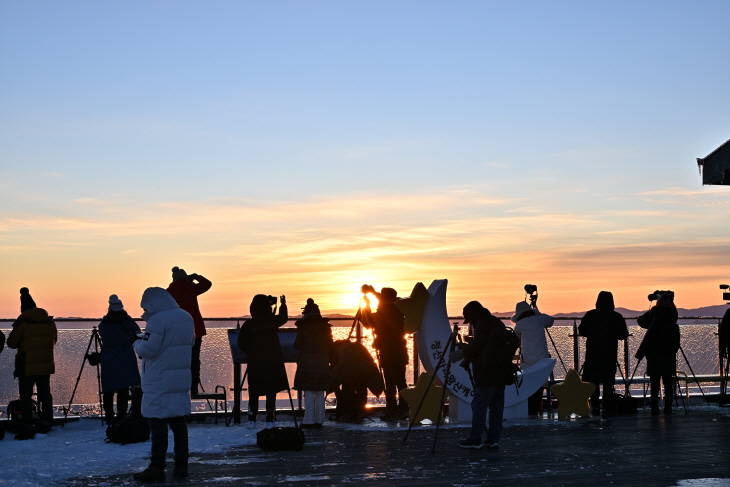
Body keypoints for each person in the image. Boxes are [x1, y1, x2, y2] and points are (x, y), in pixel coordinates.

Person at [132, 287, 195, 481]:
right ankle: (181, 465)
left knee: (157, 423)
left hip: (159, 379)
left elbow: (148, 350)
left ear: (152, 303)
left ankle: (157, 467)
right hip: (180, 378)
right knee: (178, 422)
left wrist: (136, 343)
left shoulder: (157, 320)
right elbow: (189, 343)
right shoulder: (186, 316)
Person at [450, 301, 515, 449]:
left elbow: (479, 345)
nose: (470, 324)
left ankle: (475, 439)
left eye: (469, 320)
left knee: (479, 405)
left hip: (487, 372)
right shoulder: (495, 322)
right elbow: (486, 344)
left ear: (473, 315)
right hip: (502, 370)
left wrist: (462, 353)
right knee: (496, 407)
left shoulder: (482, 323)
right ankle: (493, 440)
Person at [7, 288, 57, 437]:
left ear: (23, 310)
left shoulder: (22, 324)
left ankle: (27, 422)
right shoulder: (49, 323)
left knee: (26, 395)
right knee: (45, 394)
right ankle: (47, 420)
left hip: (26, 365)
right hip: (45, 364)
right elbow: (54, 341)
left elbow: (12, 343)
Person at [237, 294, 289, 429]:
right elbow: (283, 318)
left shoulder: (249, 324)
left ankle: (251, 419)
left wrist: (252, 352)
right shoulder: (271, 321)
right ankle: (270, 419)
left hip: (255, 362)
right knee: (271, 391)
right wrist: (283, 305)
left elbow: (241, 343)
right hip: (272, 361)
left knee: (254, 390)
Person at [361, 285, 409, 421]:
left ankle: (392, 410)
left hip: (388, 352)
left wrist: (366, 306)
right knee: (401, 381)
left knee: (390, 382)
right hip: (400, 351)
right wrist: (372, 294)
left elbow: (367, 322)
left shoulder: (383, 314)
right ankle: (404, 409)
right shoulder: (400, 310)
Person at [578, 291, 629, 417]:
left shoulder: (590, 315)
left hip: (593, 354)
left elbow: (582, 330)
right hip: (609, 354)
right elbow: (623, 334)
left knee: (592, 382)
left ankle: (594, 406)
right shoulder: (616, 316)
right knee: (608, 382)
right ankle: (608, 407)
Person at [166, 266, 212, 395]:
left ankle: (180, 384)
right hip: (195, 329)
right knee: (194, 359)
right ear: (185, 278)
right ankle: (194, 386)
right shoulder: (191, 288)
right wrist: (195, 277)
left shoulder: (169, 292)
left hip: (177, 331)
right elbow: (207, 284)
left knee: (179, 358)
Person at [98, 294, 142, 423]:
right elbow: (137, 332)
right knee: (123, 388)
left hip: (108, 358)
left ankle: (109, 417)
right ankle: (121, 415)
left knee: (108, 389)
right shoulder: (126, 321)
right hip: (124, 357)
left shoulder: (104, 324)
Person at [636, 292, 681, 415]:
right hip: (669, 355)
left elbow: (640, 321)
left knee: (655, 382)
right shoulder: (672, 316)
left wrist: (652, 310)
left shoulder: (653, 317)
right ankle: (668, 408)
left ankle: (654, 407)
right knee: (668, 382)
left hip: (654, 355)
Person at [293, 299, 333, 428]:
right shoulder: (326, 327)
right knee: (320, 391)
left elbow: (297, 345)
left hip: (307, 362)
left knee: (309, 391)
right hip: (322, 361)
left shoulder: (303, 327)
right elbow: (330, 345)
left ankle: (308, 421)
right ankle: (319, 420)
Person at [511, 300, 554, 416]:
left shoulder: (519, 325)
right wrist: (538, 314)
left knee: (528, 384)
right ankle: (535, 409)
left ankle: (529, 410)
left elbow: (515, 340)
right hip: (542, 358)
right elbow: (551, 320)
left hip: (527, 359)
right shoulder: (539, 320)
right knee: (540, 383)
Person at [329, 339, 384, 422]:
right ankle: (360, 412)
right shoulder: (359, 346)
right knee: (361, 388)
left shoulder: (338, 349)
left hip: (347, 370)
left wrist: (330, 386)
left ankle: (348, 414)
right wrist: (377, 386)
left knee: (347, 390)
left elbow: (333, 368)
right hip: (363, 369)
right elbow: (371, 362)